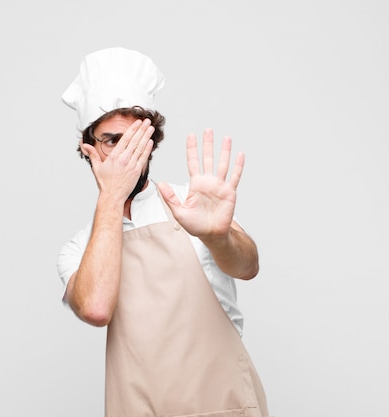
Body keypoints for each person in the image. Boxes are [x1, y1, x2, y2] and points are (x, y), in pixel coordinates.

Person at [57, 47, 271, 417]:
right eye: (111, 141)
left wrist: (218, 236)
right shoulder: (80, 249)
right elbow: (95, 308)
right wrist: (111, 197)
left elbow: (248, 265)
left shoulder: (191, 204)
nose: (126, 153)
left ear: (152, 141)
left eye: (136, 139)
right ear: (89, 149)